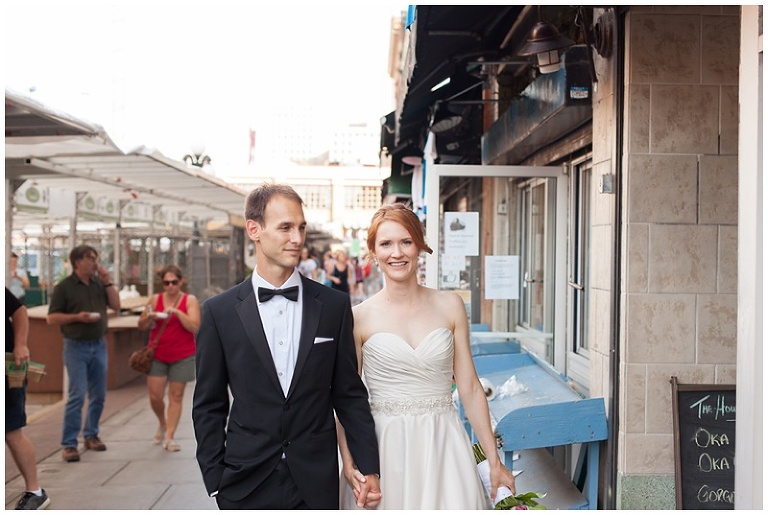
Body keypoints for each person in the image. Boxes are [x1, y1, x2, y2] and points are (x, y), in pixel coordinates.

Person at [192, 183, 381, 510]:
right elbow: (209, 404)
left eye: (301, 227)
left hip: (315, 481)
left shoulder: (334, 306)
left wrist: (369, 467)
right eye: (285, 228)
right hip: (243, 482)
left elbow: (349, 394)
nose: (297, 238)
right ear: (254, 229)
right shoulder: (218, 312)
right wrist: (215, 479)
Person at [337, 203, 516, 509]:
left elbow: (470, 388)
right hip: (384, 447)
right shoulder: (358, 317)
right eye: (386, 244)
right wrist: (350, 460)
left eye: (406, 241)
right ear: (373, 252)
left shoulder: (450, 305)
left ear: (419, 245)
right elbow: (345, 397)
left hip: (443, 442)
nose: (397, 253)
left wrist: (494, 461)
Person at [46, 245, 120, 463]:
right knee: (77, 394)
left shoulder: (98, 283)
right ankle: (69, 443)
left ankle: (91, 434)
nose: (95, 262)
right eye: (90, 258)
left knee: (99, 394)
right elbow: (52, 318)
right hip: (75, 346)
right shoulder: (65, 287)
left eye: (96, 257)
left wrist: (107, 281)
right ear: (77, 262)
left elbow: (116, 305)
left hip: (99, 345)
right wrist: (78, 317)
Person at [137, 265, 200, 452]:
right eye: (166, 283)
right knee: (155, 396)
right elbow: (140, 325)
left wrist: (177, 312)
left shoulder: (189, 301)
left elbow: (195, 326)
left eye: (174, 282)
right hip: (157, 354)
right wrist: (149, 317)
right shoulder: (155, 299)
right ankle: (162, 422)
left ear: (181, 282)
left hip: (183, 355)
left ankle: (170, 436)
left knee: (176, 395)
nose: (170, 286)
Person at [6, 288, 51, 510]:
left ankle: (35, 492)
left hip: (7, 368)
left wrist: (20, 343)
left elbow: (19, 311)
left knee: (12, 433)